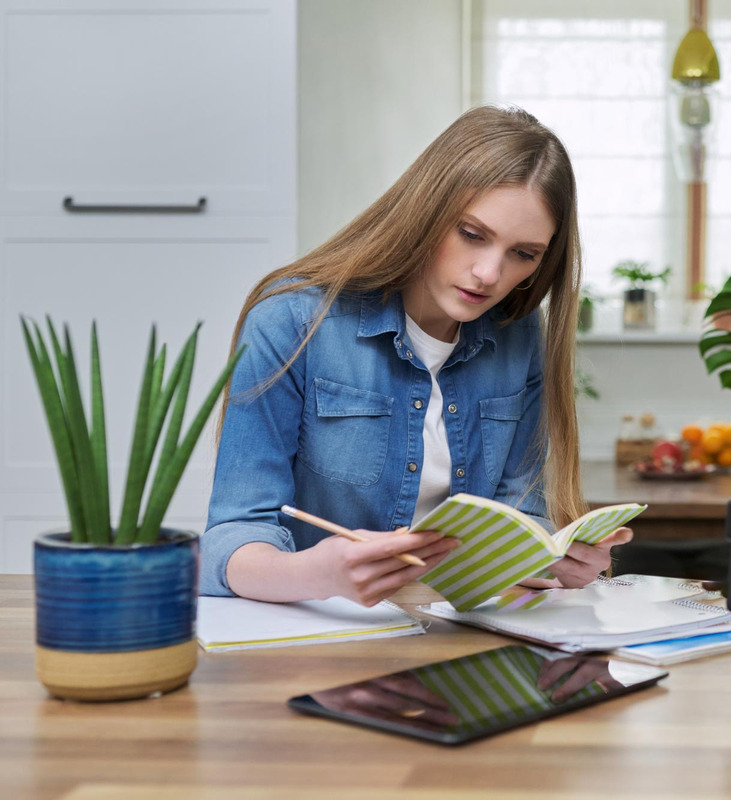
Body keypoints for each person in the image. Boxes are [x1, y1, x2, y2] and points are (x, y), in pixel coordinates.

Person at [200, 106, 633, 606]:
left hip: (451, 636)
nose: (489, 274)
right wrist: (319, 573)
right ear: (426, 212)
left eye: (524, 254)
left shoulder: (518, 335)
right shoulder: (292, 321)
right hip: (316, 639)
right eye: (472, 235)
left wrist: (552, 560)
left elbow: (520, 513)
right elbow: (229, 541)